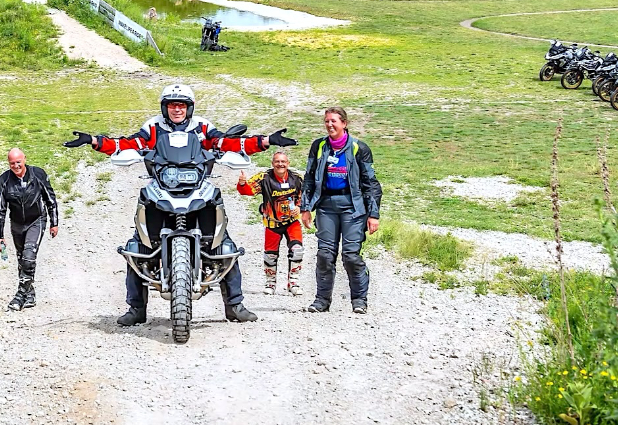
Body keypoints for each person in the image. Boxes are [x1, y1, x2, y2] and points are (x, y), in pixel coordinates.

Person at [63, 82, 296, 327]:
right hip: (161, 187)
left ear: (189, 108)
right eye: (172, 105)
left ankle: (234, 306)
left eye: (182, 105)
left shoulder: (202, 127)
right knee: (136, 246)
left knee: (225, 245)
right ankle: (136, 308)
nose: (177, 109)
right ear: (165, 108)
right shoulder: (153, 127)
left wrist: (267, 140)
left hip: (199, 186)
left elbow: (227, 143)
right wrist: (93, 141)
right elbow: (127, 144)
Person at [300, 106, 382, 315]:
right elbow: (309, 177)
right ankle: (321, 301)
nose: (329, 125)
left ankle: (359, 300)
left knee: (351, 256)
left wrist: (373, 214)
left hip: (353, 208)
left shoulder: (358, 148)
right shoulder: (318, 147)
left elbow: (371, 183)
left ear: (344, 123)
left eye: (334, 121)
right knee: (325, 255)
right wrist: (305, 208)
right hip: (326, 207)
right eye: (327, 121)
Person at [0, 148, 59, 311]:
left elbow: (50, 198)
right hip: (17, 223)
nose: (16, 166)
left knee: (29, 257)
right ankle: (30, 295)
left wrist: (54, 222)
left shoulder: (37, 174)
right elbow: (0, 209)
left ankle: (20, 295)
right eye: (12, 163)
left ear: (24, 160)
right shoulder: (4, 180)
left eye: (18, 162)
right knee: (22, 260)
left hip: (36, 220)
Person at [237, 150, 304, 296]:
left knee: (297, 250)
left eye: (283, 162)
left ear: (288, 164)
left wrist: (299, 208)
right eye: (277, 161)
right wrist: (242, 184)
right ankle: (270, 283)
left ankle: (293, 283)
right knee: (270, 256)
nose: (280, 164)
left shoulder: (297, 178)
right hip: (272, 224)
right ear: (272, 163)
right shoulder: (264, 178)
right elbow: (248, 190)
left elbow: (305, 196)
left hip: (292, 223)